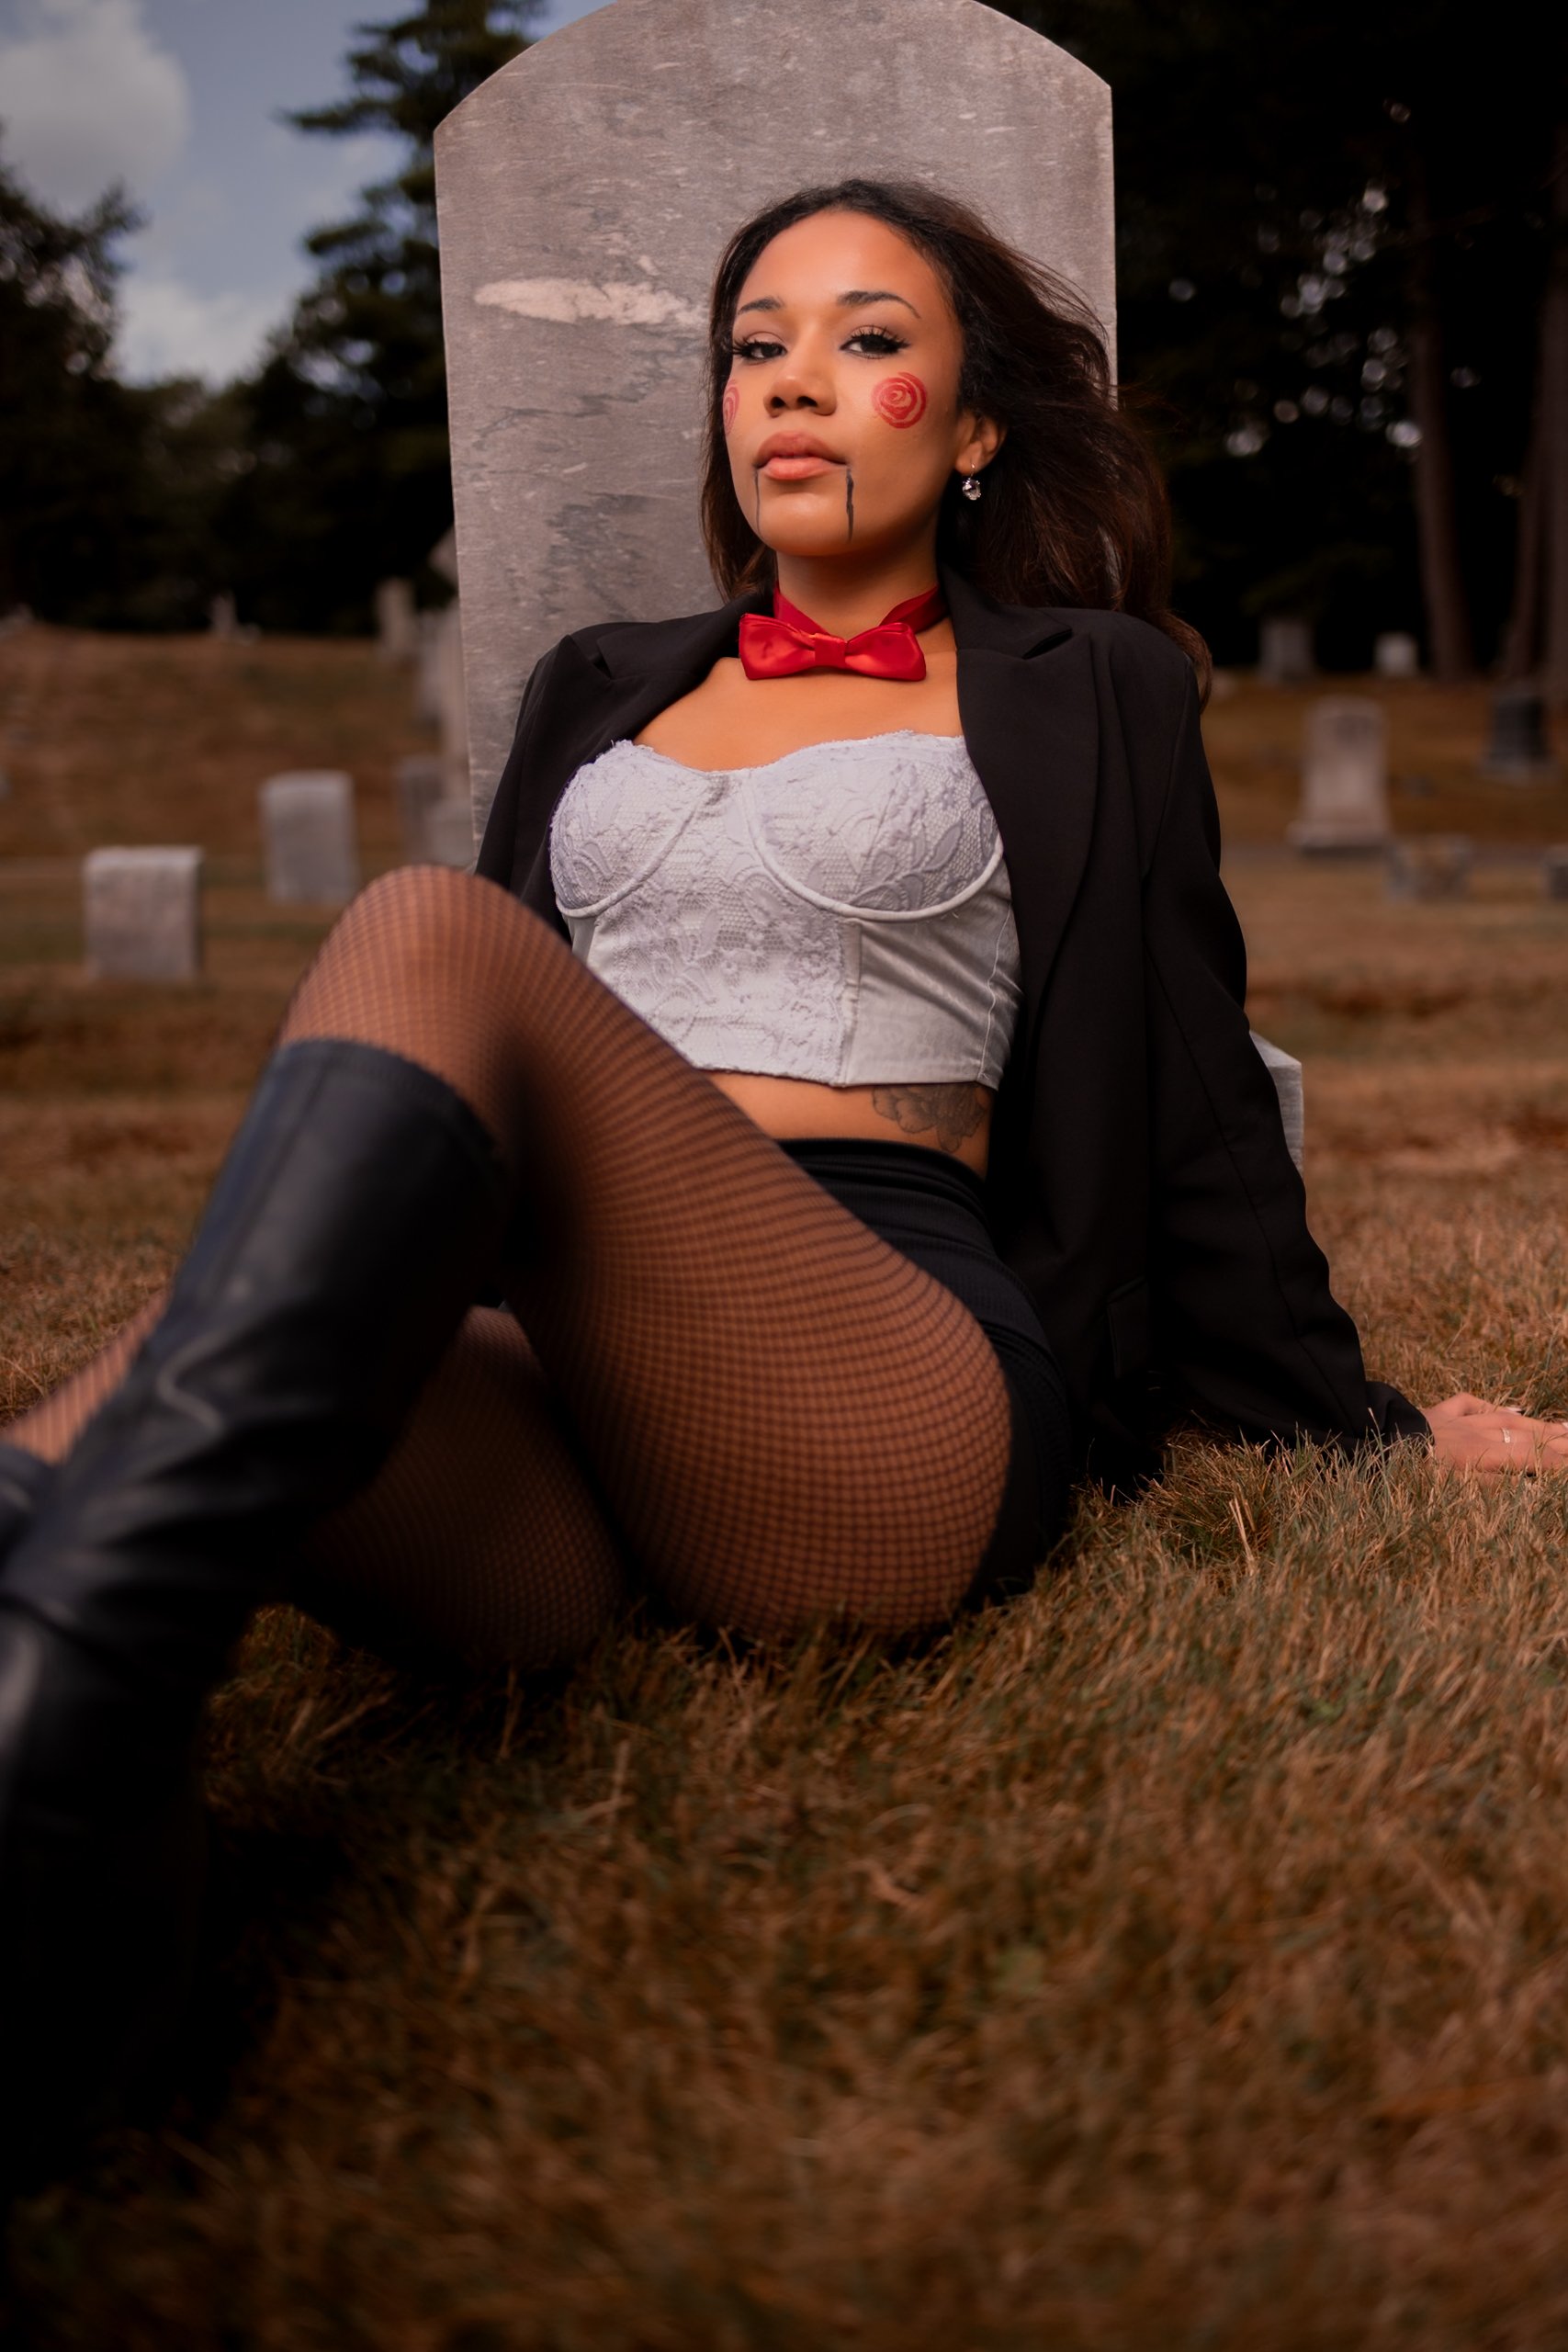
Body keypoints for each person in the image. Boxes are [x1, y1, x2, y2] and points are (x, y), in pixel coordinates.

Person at [1, 176, 1563, 2186]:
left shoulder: (1084, 682)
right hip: (561, 1422)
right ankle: (75, 1789)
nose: (794, 385)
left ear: (973, 424)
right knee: (182, 1362)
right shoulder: (601, 678)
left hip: (873, 1392)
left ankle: (68, 1743)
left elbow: (1182, 1096)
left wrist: (1356, 1421)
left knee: (434, 934)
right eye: (754, 345)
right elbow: (441, 1110)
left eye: (865, 338)